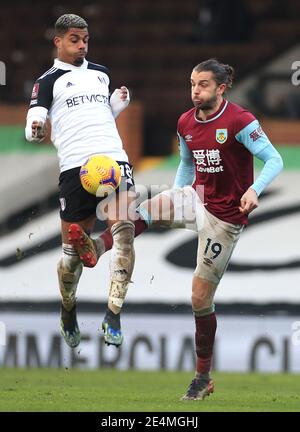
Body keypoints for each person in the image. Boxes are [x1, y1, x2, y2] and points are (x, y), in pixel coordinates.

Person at [70, 59, 283, 400]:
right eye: (192, 84)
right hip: (196, 197)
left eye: (203, 85)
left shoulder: (240, 120)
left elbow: (274, 159)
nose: (195, 90)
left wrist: (254, 190)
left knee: (200, 299)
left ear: (221, 88)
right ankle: (98, 247)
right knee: (143, 210)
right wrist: (177, 194)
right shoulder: (185, 122)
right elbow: (186, 162)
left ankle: (202, 377)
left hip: (225, 219)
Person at [25, 14, 136, 349]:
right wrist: (36, 128)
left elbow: (98, 117)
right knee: (72, 256)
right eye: (75, 39)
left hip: (113, 159)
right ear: (58, 41)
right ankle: (68, 308)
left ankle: (113, 315)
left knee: (125, 234)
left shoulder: (101, 74)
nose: (82, 45)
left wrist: (116, 106)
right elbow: (36, 121)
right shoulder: (48, 81)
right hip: (76, 167)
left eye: (85, 39)